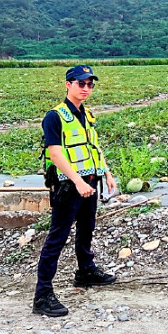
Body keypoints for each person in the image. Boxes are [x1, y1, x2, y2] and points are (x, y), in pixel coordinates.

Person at [33, 65, 117, 317]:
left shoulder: (87, 114)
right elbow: (55, 153)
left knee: (86, 228)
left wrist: (107, 172)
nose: (86, 89)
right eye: (81, 84)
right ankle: (42, 296)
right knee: (57, 238)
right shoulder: (55, 117)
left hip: (90, 181)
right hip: (68, 186)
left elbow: (94, 147)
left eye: (90, 84)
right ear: (68, 84)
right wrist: (77, 181)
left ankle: (86, 272)